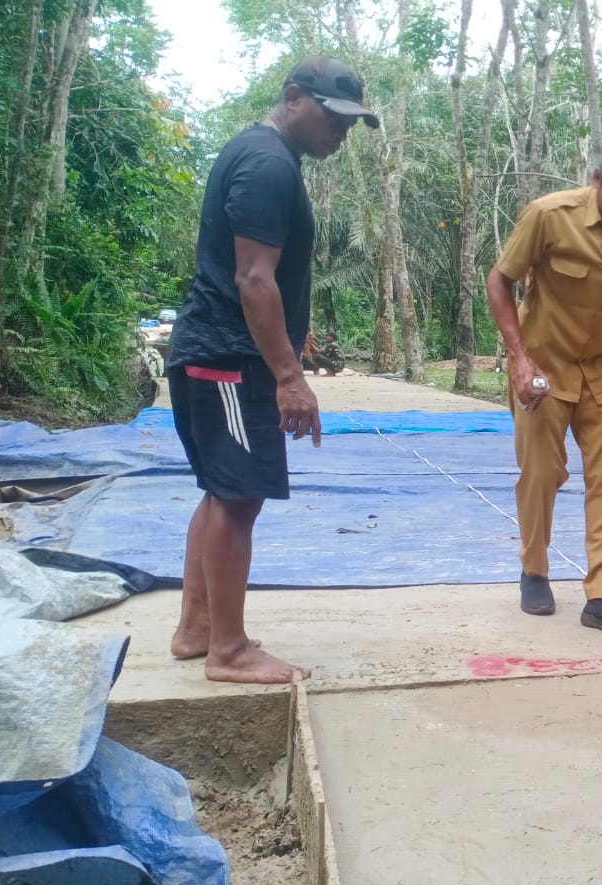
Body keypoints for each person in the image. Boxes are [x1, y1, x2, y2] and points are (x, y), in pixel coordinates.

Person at [165, 56, 378, 683]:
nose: (340, 133)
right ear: (293, 98)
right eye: (332, 118)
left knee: (222, 492)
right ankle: (228, 651)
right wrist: (290, 376)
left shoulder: (264, 156)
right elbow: (253, 278)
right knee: (238, 496)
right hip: (229, 359)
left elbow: (267, 277)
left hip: (219, 354)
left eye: (350, 124)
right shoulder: (266, 163)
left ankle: (198, 628)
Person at [485, 139, 602, 642]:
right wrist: (519, 358)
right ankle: (534, 570)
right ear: (597, 180)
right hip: (543, 366)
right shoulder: (549, 216)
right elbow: (499, 282)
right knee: (542, 473)